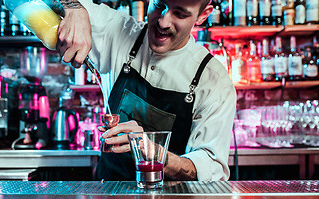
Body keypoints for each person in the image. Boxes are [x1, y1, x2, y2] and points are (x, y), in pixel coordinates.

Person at [55, 0, 237, 181]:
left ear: (203, 15)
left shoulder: (214, 82)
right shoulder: (118, 31)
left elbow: (211, 170)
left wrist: (155, 154)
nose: (163, 22)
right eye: (159, 5)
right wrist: (73, 7)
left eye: (180, 14)